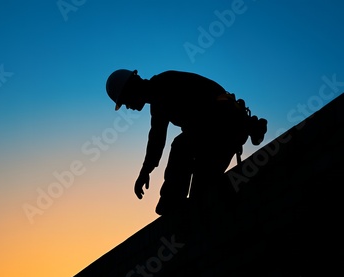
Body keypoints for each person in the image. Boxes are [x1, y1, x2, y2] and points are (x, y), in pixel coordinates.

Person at [105, 69, 267, 217]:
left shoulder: (164, 86)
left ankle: (171, 205)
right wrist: (145, 171)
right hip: (219, 133)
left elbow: (159, 137)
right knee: (202, 191)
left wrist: (147, 173)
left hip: (225, 128)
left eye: (125, 101)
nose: (127, 106)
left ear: (131, 89)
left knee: (181, 148)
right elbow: (157, 138)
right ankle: (176, 207)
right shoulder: (158, 97)